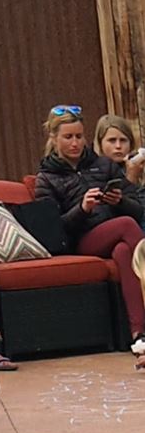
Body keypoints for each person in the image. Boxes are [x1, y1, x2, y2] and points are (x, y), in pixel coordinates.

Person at [34, 105, 145, 354]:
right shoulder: (46, 178)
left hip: (114, 233)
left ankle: (139, 334)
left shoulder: (104, 165)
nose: (75, 143)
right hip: (81, 240)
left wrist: (120, 201)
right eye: (68, 137)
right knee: (126, 227)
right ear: (54, 139)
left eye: (79, 136)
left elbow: (137, 209)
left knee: (122, 252)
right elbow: (53, 232)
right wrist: (82, 209)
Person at [94, 109, 145, 186]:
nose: (118, 146)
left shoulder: (139, 167)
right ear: (100, 143)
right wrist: (131, 178)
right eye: (112, 140)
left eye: (123, 140)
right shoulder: (93, 172)